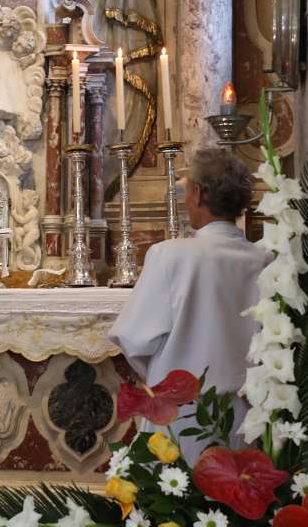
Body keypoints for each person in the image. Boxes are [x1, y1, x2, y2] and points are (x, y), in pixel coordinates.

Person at [109, 146, 268, 463]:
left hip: (182, 416)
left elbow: (134, 338)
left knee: (175, 501)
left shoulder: (169, 256)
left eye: (186, 191)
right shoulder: (265, 259)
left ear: (198, 194)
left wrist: (166, 376)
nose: (184, 200)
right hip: (247, 415)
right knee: (235, 503)